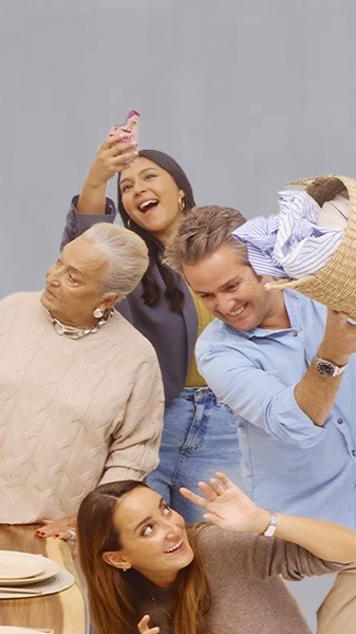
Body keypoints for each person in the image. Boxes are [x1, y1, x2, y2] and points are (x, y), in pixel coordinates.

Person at [163, 205, 356, 634]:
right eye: (207, 295)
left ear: (262, 267)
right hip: (285, 518)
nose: (223, 305)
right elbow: (296, 423)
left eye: (231, 285)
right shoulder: (218, 352)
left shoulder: (322, 294)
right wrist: (332, 355)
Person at [0, 223, 163, 526]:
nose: (52, 277)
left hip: (56, 530)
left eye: (73, 277)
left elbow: (133, 453)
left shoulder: (136, 357)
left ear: (108, 299)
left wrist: (90, 519)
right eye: (60, 261)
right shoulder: (12, 310)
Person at [66, 134, 243, 522]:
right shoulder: (132, 268)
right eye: (126, 187)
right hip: (151, 423)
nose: (138, 189)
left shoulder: (227, 248)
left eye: (149, 177)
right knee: (140, 552)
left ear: (180, 191)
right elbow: (83, 255)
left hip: (226, 423)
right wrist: (98, 180)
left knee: (223, 551)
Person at [77, 474, 356, 634]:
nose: (173, 529)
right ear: (118, 558)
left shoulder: (217, 547)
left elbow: (351, 549)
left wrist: (263, 520)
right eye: (148, 529)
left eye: (165, 510)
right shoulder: (130, 618)